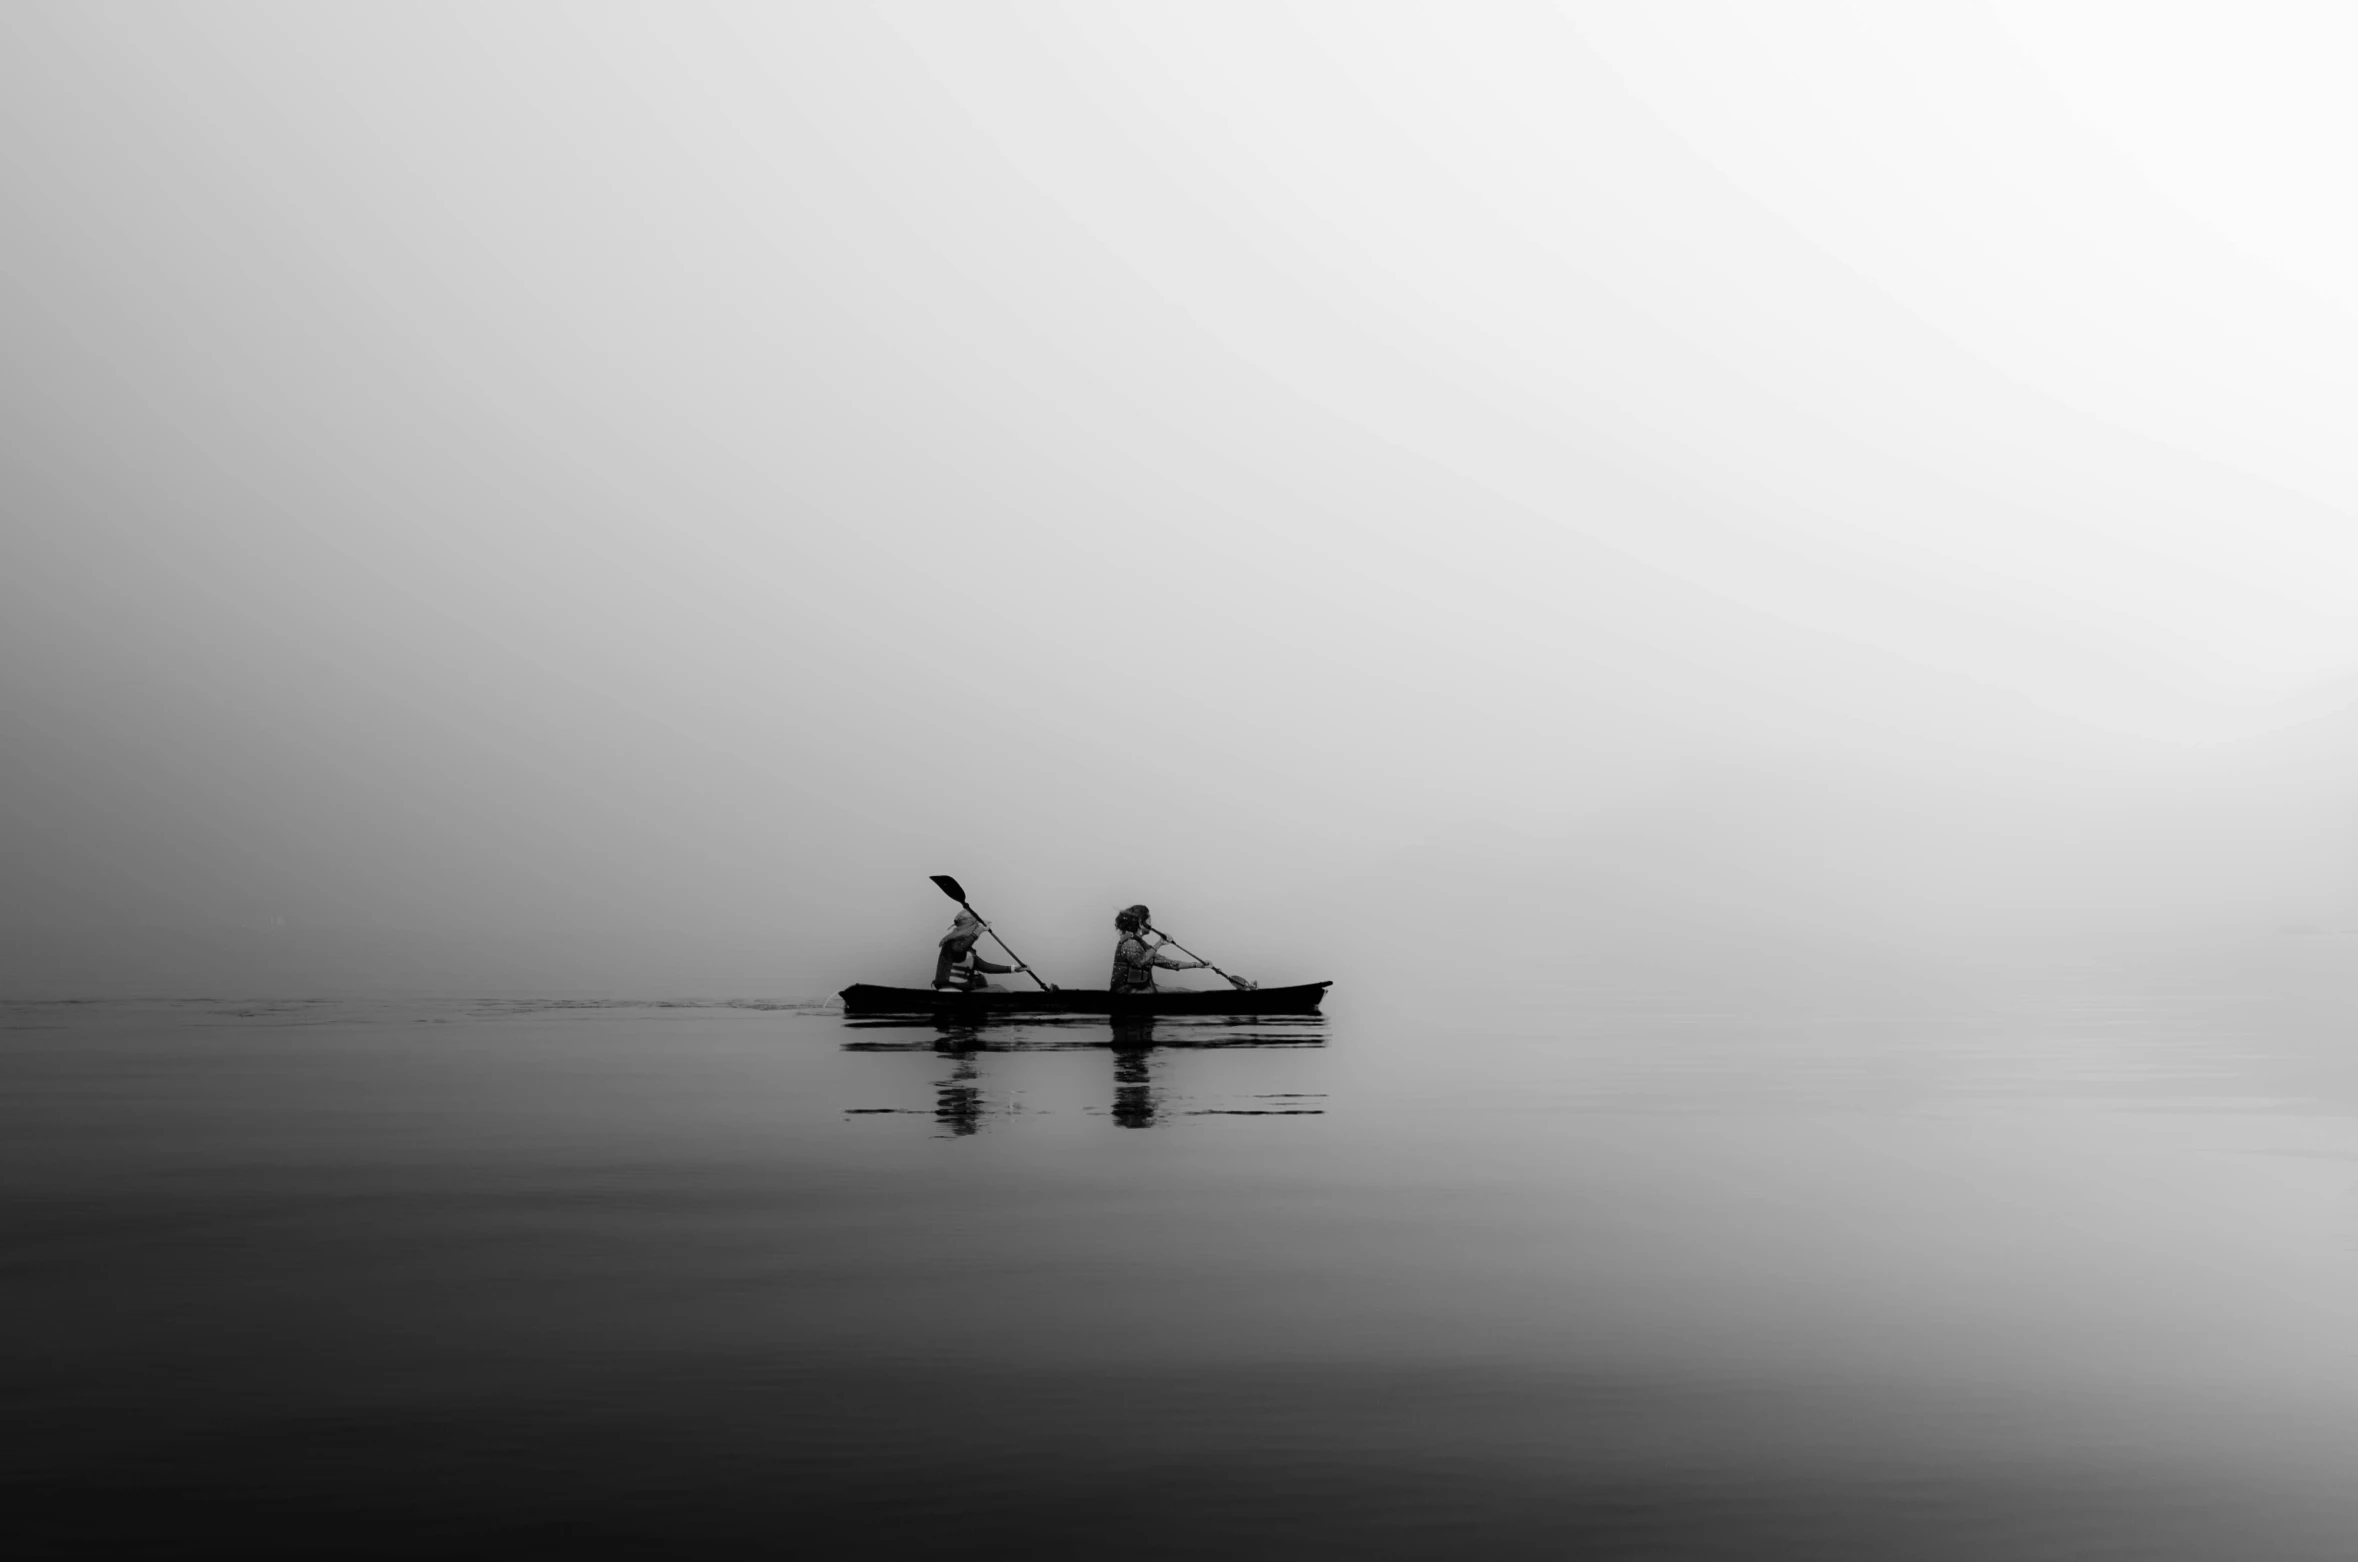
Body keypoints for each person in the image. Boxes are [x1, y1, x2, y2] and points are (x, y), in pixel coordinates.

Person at [1109, 904, 1204, 994]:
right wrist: (1159, 943)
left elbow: (1168, 963)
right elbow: (1140, 961)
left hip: (1144, 989)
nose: (1151, 925)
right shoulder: (1130, 943)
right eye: (1149, 922)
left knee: (1182, 991)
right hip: (1127, 992)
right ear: (1141, 924)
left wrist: (1198, 965)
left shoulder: (1143, 945)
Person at [934, 910, 1025, 992]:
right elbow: (959, 949)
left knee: (998, 990)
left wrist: (1013, 968)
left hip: (963, 990)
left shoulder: (969, 952)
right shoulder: (951, 945)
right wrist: (978, 932)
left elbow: (986, 967)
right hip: (949, 990)